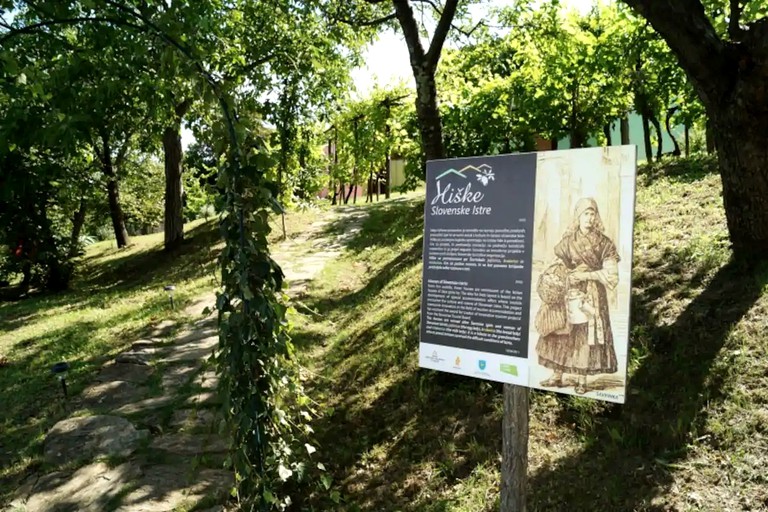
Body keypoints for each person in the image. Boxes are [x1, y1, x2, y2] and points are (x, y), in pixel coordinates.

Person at [535, 197, 619, 394]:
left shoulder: (604, 244)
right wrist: (555, 275)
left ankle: (582, 379)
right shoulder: (568, 242)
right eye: (585, 214)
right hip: (567, 291)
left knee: (583, 335)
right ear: (578, 217)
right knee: (561, 330)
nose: (589, 218)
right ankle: (557, 375)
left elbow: (612, 276)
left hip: (591, 294)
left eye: (592, 214)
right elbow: (557, 263)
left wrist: (585, 275)